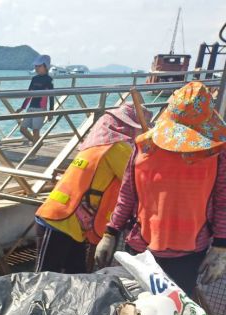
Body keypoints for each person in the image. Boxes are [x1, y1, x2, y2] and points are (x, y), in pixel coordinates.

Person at [94, 81, 226, 297]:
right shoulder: (144, 146)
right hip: (140, 248)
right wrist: (110, 233)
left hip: (189, 254)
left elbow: (223, 201)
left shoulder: (218, 153)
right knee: (137, 308)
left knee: (177, 311)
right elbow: (127, 195)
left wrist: (221, 246)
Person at [35, 103, 151, 273]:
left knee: (74, 277)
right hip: (60, 220)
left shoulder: (98, 144)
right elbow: (140, 180)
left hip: (70, 223)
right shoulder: (117, 148)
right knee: (43, 277)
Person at [19, 55, 54, 144]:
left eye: (39, 66)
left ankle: (34, 149)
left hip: (40, 109)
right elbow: (29, 94)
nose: (37, 68)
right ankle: (37, 143)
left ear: (46, 67)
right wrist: (22, 107)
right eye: (36, 66)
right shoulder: (34, 79)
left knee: (35, 131)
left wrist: (51, 112)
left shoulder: (48, 80)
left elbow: (51, 96)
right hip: (31, 107)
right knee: (22, 129)